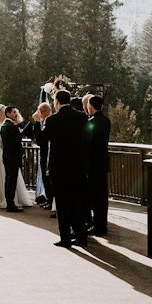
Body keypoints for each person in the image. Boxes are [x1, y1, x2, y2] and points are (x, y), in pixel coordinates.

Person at [46, 89, 90, 248]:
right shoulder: (82, 117)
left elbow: (43, 139)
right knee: (77, 202)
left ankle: (65, 238)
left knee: (62, 204)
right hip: (78, 166)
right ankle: (81, 237)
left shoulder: (52, 120)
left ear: (56, 102)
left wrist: (38, 123)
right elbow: (88, 140)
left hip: (59, 167)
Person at [86, 95, 112, 236]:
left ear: (90, 106)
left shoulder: (91, 122)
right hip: (103, 161)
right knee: (102, 195)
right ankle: (103, 224)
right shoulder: (106, 121)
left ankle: (97, 225)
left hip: (93, 163)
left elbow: (88, 143)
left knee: (95, 196)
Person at [27, 103, 52, 206]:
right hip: (45, 153)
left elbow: (40, 139)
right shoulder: (46, 121)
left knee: (47, 178)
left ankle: (50, 200)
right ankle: (49, 199)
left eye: (39, 111)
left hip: (47, 154)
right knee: (45, 178)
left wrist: (37, 122)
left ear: (43, 112)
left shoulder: (49, 121)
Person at [0, 106, 24, 213]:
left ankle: (9, 203)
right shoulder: (11, 126)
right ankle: (10, 204)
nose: (16, 114)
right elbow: (17, 141)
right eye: (14, 112)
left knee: (9, 180)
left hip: (7, 156)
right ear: (8, 114)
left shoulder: (4, 126)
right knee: (11, 181)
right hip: (13, 157)